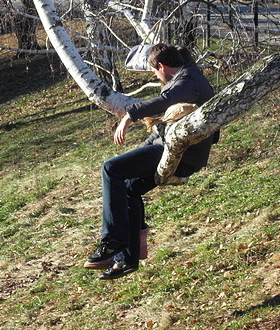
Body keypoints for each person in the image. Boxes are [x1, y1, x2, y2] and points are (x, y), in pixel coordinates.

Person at [85, 44, 215, 279]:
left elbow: (165, 100)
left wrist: (128, 116)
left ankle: (113, 240)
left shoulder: (188, 80)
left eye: (155, 72)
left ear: (162, 66)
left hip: (182, 153)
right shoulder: (188, 76)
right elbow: (164, 124)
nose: (156, 77)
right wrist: (141, 148)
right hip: (170, 147)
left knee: (111, 168)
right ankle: (127, 259)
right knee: (128, 189)